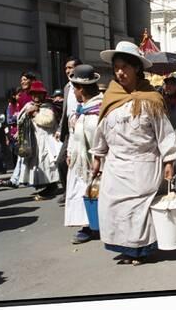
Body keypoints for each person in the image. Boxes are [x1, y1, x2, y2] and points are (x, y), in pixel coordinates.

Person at [91, 41, 176, 266]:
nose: (120, 72)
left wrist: (169, 158)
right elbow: (102, 130)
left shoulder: (151, 99)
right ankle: (124, 247)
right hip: (115, 165)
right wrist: (97, 155)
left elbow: (164, 132)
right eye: (117, 67)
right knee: (114, 207)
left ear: (137, 69)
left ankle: (140, 250)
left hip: (143, 163)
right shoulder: (110, 98)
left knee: (138, 209)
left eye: (125, 67)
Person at [64, 65, 103, 244]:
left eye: (74, 89)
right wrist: (70, 151)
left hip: (95, 161)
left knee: (95, 193)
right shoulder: (83, 108)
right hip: (80, 161)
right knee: (84, 193)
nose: (73, 93)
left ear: (81, 89)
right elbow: (75, 134)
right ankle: (88, 225)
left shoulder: (98, 109)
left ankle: (95, 226)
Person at [18, 80, 61, 200]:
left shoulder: (47, 106)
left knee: (47, 163)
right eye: (34, 94)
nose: (37, 96)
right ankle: (45, 185)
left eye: (39, 94)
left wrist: (35, 114)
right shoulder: (28, 105)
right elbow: (19, 119)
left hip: (47, 140)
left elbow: (49, 121)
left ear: (43, 94)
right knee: (38, 164)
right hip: (33, 140)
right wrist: (27, 114)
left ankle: (51, 187)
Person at [55, 57, 83, 204]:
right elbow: (65, 111)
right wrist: (60, 129)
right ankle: (67, 191)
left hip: (84, 129)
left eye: (71, 67)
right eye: (66, 68)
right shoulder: (67, 88)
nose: (68, 71)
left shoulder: (86, 84)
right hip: (69, 132)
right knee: (61, 162)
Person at [3, 72, 36, 188]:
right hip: (25, 130)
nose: (22, 82)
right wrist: (19, 130)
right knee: (23, 156)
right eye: (21, 80)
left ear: (31, 80)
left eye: (25, 79)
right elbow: (20, 117)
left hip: (35, 129)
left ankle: (18, 179)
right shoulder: (22, 97)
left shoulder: (35, 92)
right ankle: (17, 179)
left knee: (27, 156)